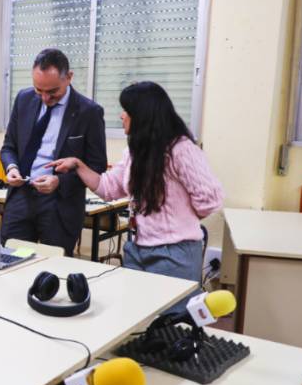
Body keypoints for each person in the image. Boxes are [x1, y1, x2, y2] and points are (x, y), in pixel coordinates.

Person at [47, 81, 223, 284]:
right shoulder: (134, 152)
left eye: (126, 111)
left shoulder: (181, 149)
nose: (121, 116)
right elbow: (108, 188)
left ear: (142, 116)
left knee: (170, 306)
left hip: (175, 253)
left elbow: (210, 199)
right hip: (137, 249)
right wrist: (78, 165)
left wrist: (180, 222)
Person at [0, 48, 107, 256]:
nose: (45, 98)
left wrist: (59, 181)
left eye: (52, 92)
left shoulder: (89, 112)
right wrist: (12, 168)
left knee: (54, 267)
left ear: (69, 77)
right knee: (10, 260)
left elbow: (97, 166)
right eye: (39, 90)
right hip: (21, 196)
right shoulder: (23, 99)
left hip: (60, 204)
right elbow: (9, 147)